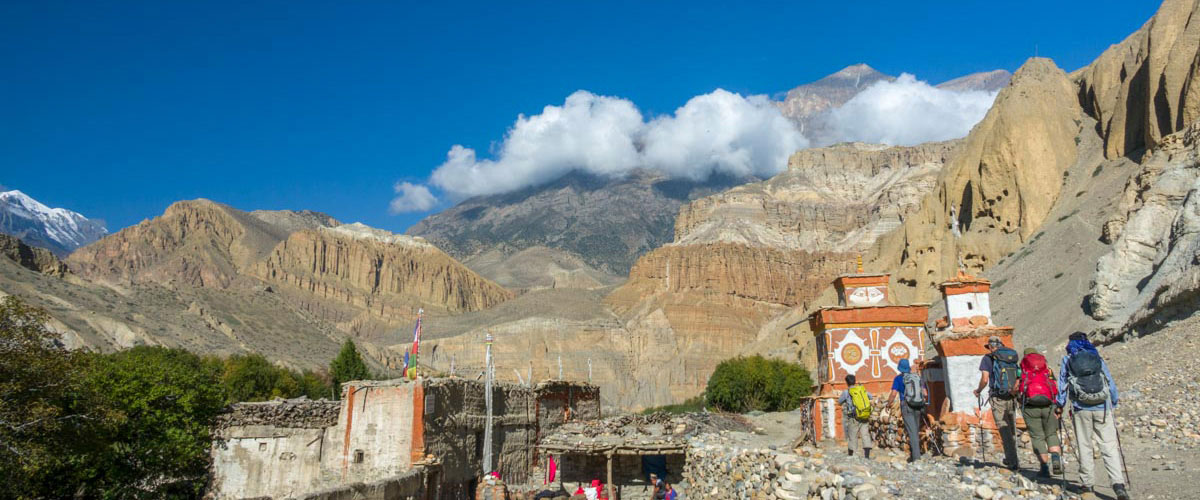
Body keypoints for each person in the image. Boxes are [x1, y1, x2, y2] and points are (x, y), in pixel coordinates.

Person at [1058, 332, 1129, 500]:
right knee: (1109, 446)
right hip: (1102, 407)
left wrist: (1059, 405)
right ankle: (1118, 484)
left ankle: (1087, 483)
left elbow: (1062, 384)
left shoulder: (1067, 360)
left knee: (1085, 445)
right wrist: (1113, 401)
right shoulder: (1096, 357)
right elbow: (1109, 381)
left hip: (1080, 408)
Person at [974, 335, 1021, 470]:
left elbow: (985, 379)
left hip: (997, 396)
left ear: (990, 347)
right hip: (1011, 395)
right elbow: (1019, 374)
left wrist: (978, 390)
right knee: (1011, 426)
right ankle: (1013, 457)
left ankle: (1012, 461)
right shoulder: (1011, 357)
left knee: (1003, 426)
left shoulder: (988, 358)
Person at [1017, 347, 1062, 478]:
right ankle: (1055, 457)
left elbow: (1017, 386)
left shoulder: (1022, 369)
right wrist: (1058, 407)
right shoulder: (1047, 369)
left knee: (1037, 436)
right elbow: (1054, 385)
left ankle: (1044, 468)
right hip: (1048, 405)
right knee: (1051, 434)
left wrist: (1016, 396)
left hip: (1031, 407)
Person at [886, 358, 927, 462]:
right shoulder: (917, 377)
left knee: (912, 432)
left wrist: (888, 404)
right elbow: (925, 393)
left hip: (906, 406)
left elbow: (893, 394)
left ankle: (916, 458)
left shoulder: (898, 379)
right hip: (918, 405)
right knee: (915, 430)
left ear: (900, 368)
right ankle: (915, 454)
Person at [837, 374, 873, 458]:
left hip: (854, 417)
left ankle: (852, 454)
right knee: (865, 434)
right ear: (855, 381)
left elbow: (839, 402)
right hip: (864, 415)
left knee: (852, 435)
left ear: (847, 382)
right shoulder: (861, 389)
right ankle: (867, 456)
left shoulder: (846, 392)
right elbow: (870, 396)